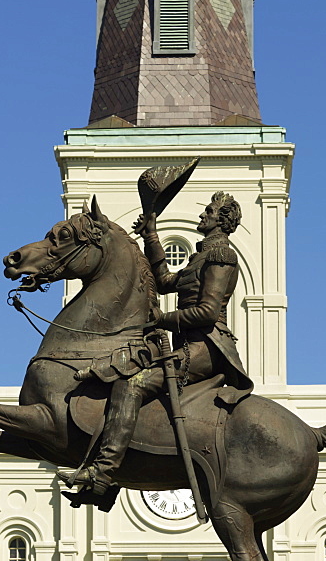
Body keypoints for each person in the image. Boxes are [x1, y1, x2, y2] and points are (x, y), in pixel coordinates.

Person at [59, 191, 253, 496]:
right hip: (186, 346)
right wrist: (151, 234)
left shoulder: (221, 256)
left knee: (132, 385)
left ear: (223, 220)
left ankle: (104, 472)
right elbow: (163, 281)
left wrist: (162, 319)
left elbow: (208, 312)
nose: (203, 215)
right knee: (124, 367)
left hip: (205, 348)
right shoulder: (201, 257)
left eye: (210, 211)